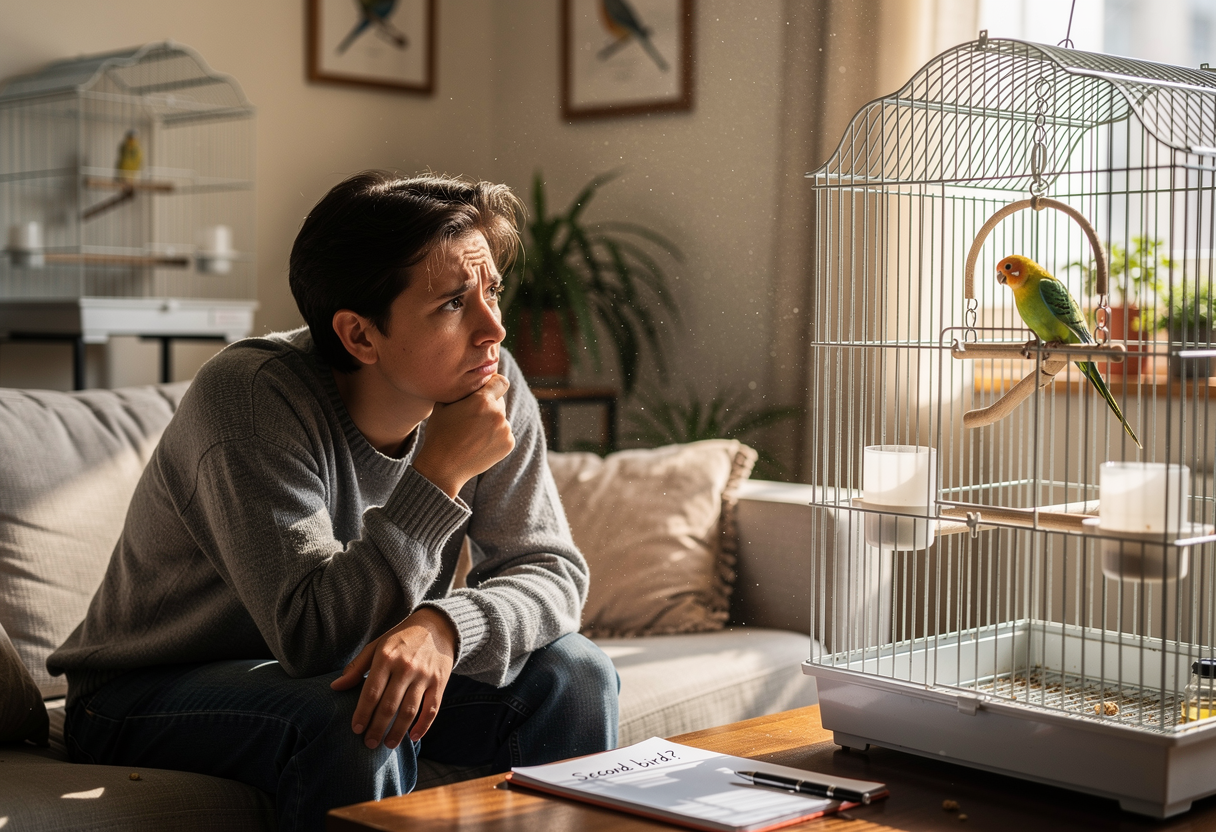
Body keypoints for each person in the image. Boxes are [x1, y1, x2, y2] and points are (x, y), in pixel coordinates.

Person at [48, 171, 619, 831]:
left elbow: (550, 571)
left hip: (334, 675)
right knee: (353, 716)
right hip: (142, 691)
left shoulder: (488, 379)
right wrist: (436, 474)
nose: (493, 329)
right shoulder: (251, 395)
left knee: (573, 673)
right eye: (453, 304)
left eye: (491, 290)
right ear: (360, 336)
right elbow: (313, 637)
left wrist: (444, 627)